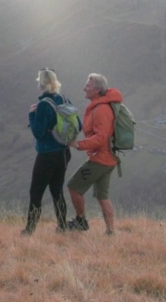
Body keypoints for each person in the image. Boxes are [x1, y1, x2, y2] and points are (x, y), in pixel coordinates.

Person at [66, 73, 123, 235]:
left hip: (101, 159)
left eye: (88, 86)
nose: (85, 88)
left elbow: (101, 137)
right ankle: (110, 231)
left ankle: (80, 221)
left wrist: (78, 144)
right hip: (109, 159)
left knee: (74, 186)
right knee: (102, 196)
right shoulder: (100, 106)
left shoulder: (101, 109)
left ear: (97, 90)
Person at [22, 68, 78, 235]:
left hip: (47, 154)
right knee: (57, 191)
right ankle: (62, 226)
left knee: (35, 193)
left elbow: (38, 132)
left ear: (41, 83)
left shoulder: (43, 105)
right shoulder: (65, 100)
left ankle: (29, 230)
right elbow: (78, 125)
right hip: (63, 153)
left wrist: (32, 115)